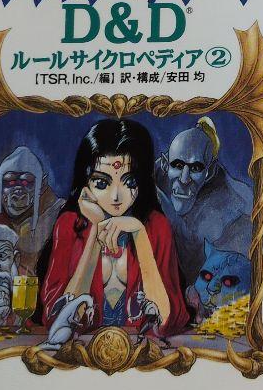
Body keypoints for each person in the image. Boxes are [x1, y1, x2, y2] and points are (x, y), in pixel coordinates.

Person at [37, 118, 187, 337]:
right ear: (85, 183)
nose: (116, 196)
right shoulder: (70, 224)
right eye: (102, 183)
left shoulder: (156, 226)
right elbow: (58, 321)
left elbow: (166, 320)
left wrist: (139, 234)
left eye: (129, 182)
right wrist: (96, 231)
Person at [155, 117, 253, 286]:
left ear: (210, 171)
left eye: (195, 168)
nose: (184, 179)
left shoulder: (235, 210)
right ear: (165, 164)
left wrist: (170, 216)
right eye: (177, 165)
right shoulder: (150, 179)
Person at [0, 144, 62, 273]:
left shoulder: (57, 213)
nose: (18, 194)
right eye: (10, 182)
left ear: (42, 185)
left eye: (26, 182)